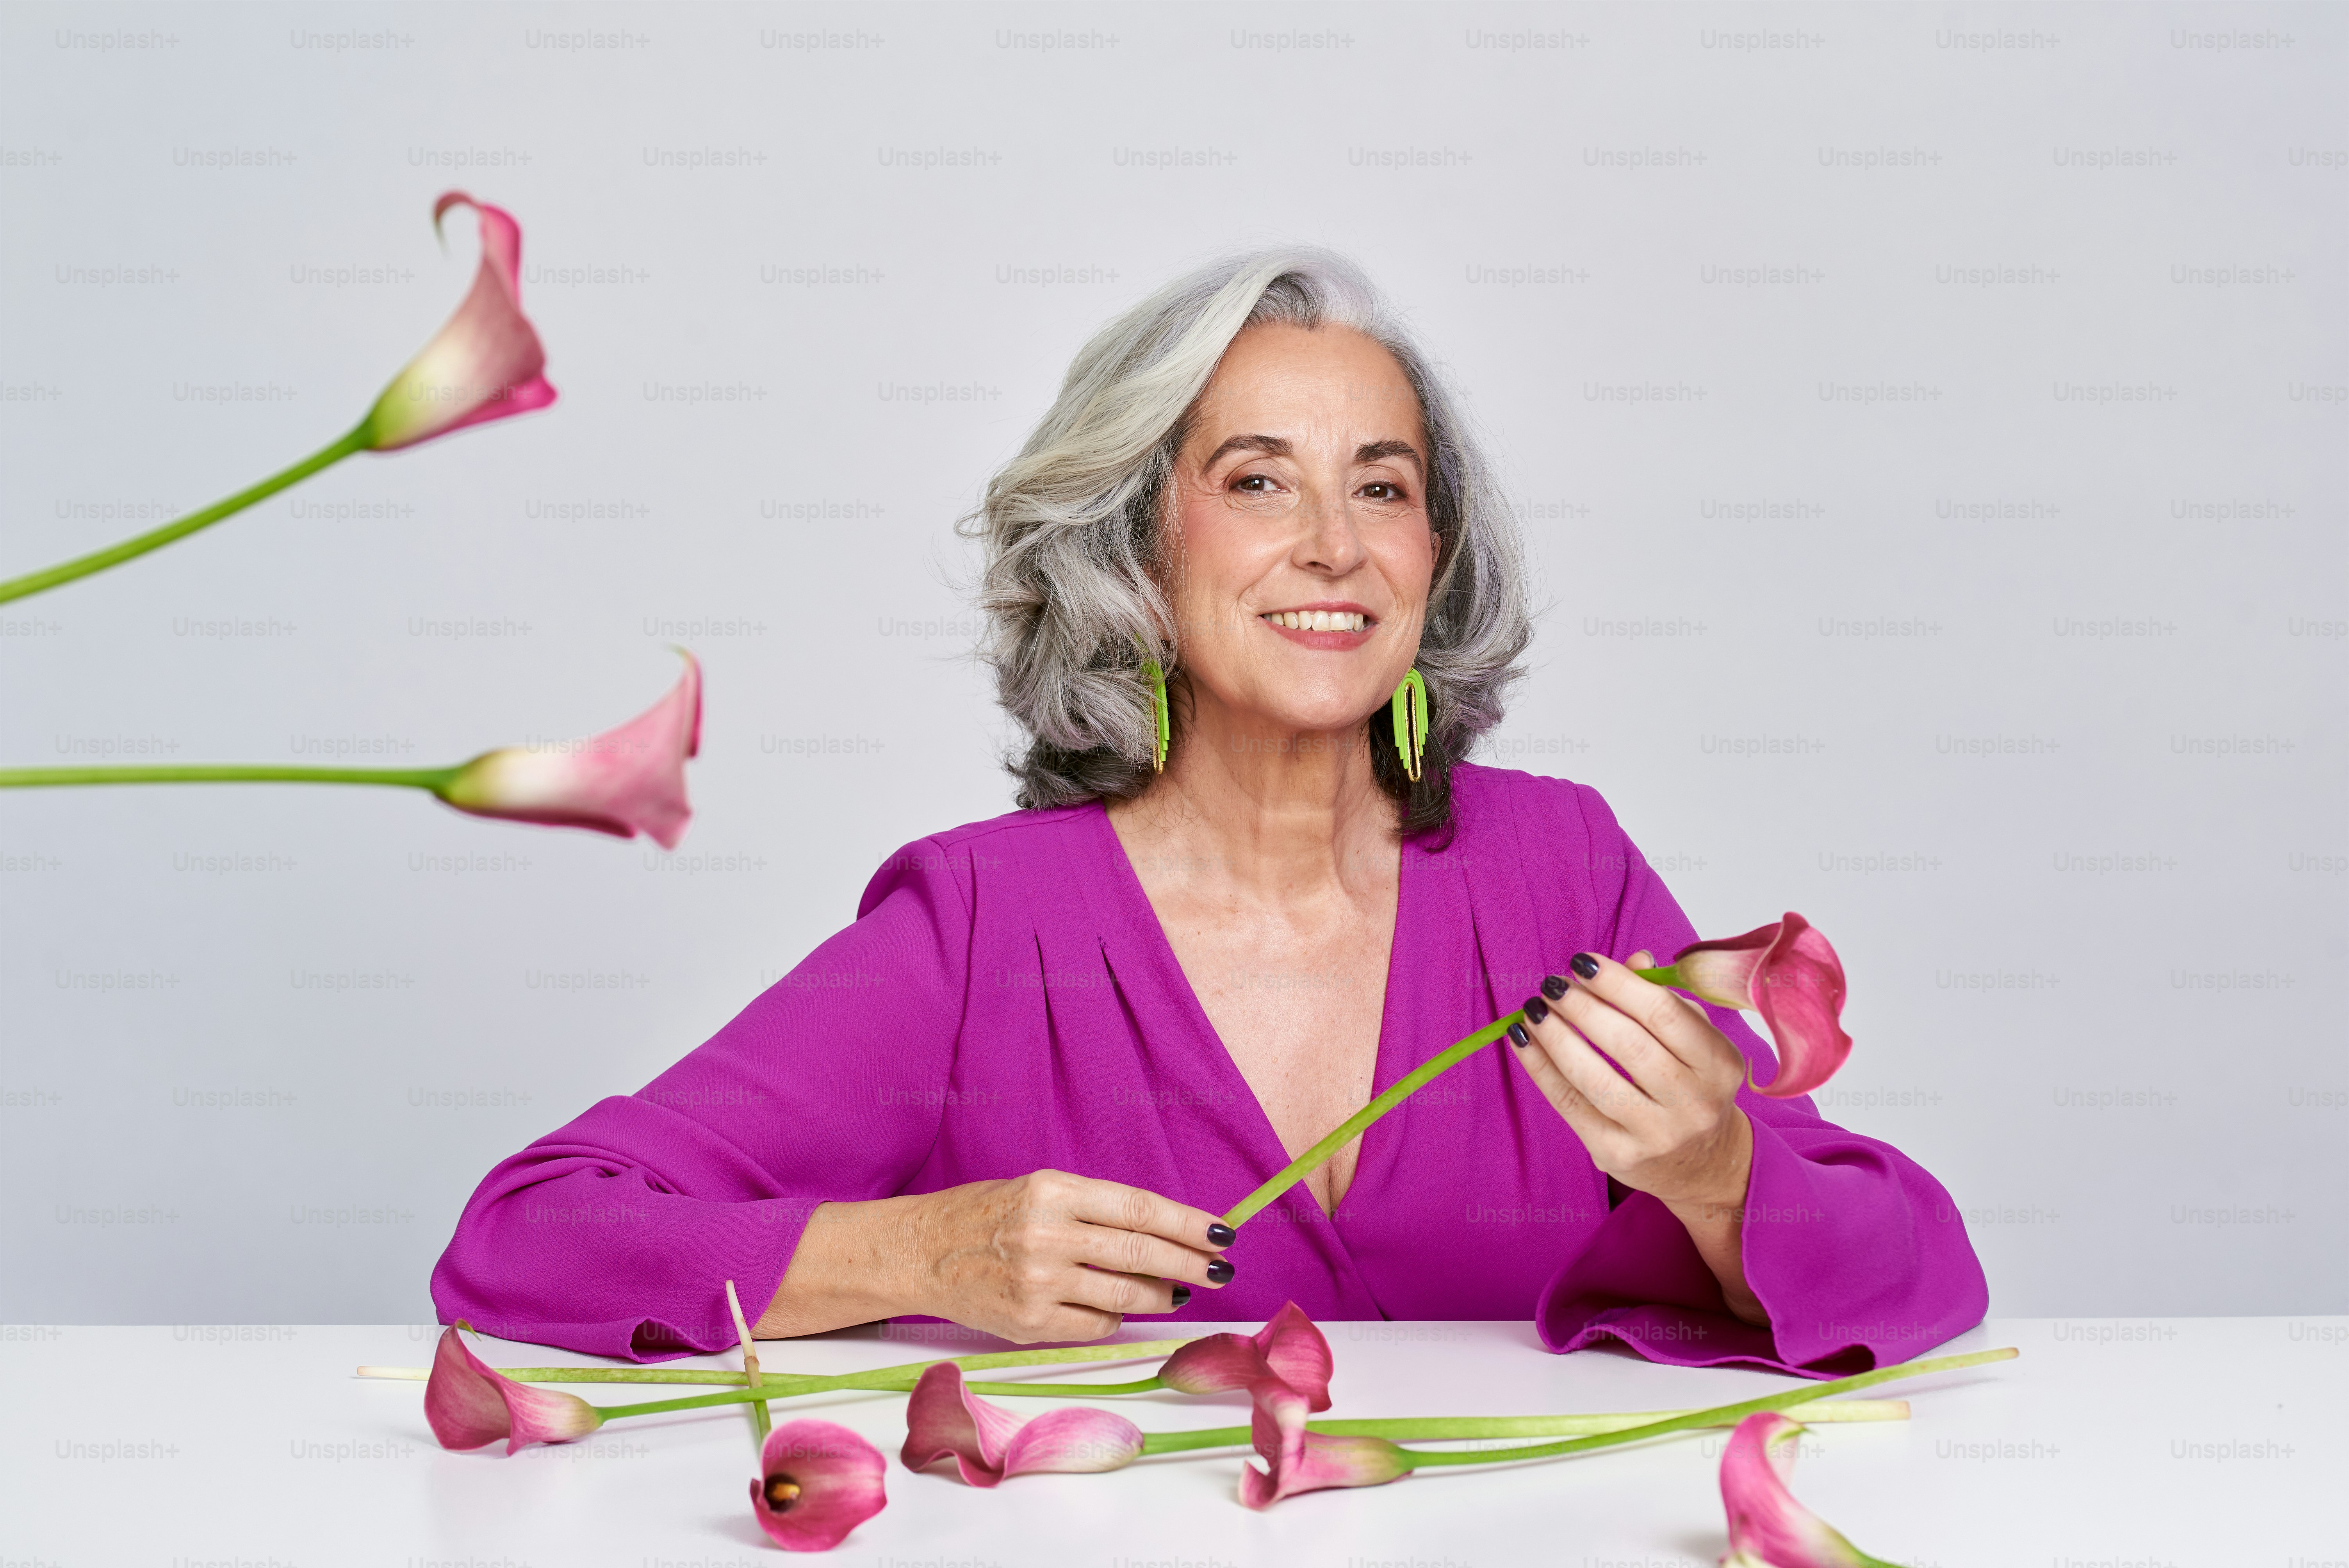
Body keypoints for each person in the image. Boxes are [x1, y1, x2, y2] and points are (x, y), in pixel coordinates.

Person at [431, 251, 1987, 1372]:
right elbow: (526, 1233)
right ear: (1133, 548)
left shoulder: (1558, 869)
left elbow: (1916, 1264)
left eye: (1382, 485)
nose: (1332, 544)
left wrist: (1710, 1169)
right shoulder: (985, 928)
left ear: (1434, 550)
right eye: (1256, 481)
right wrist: (914, 1253)